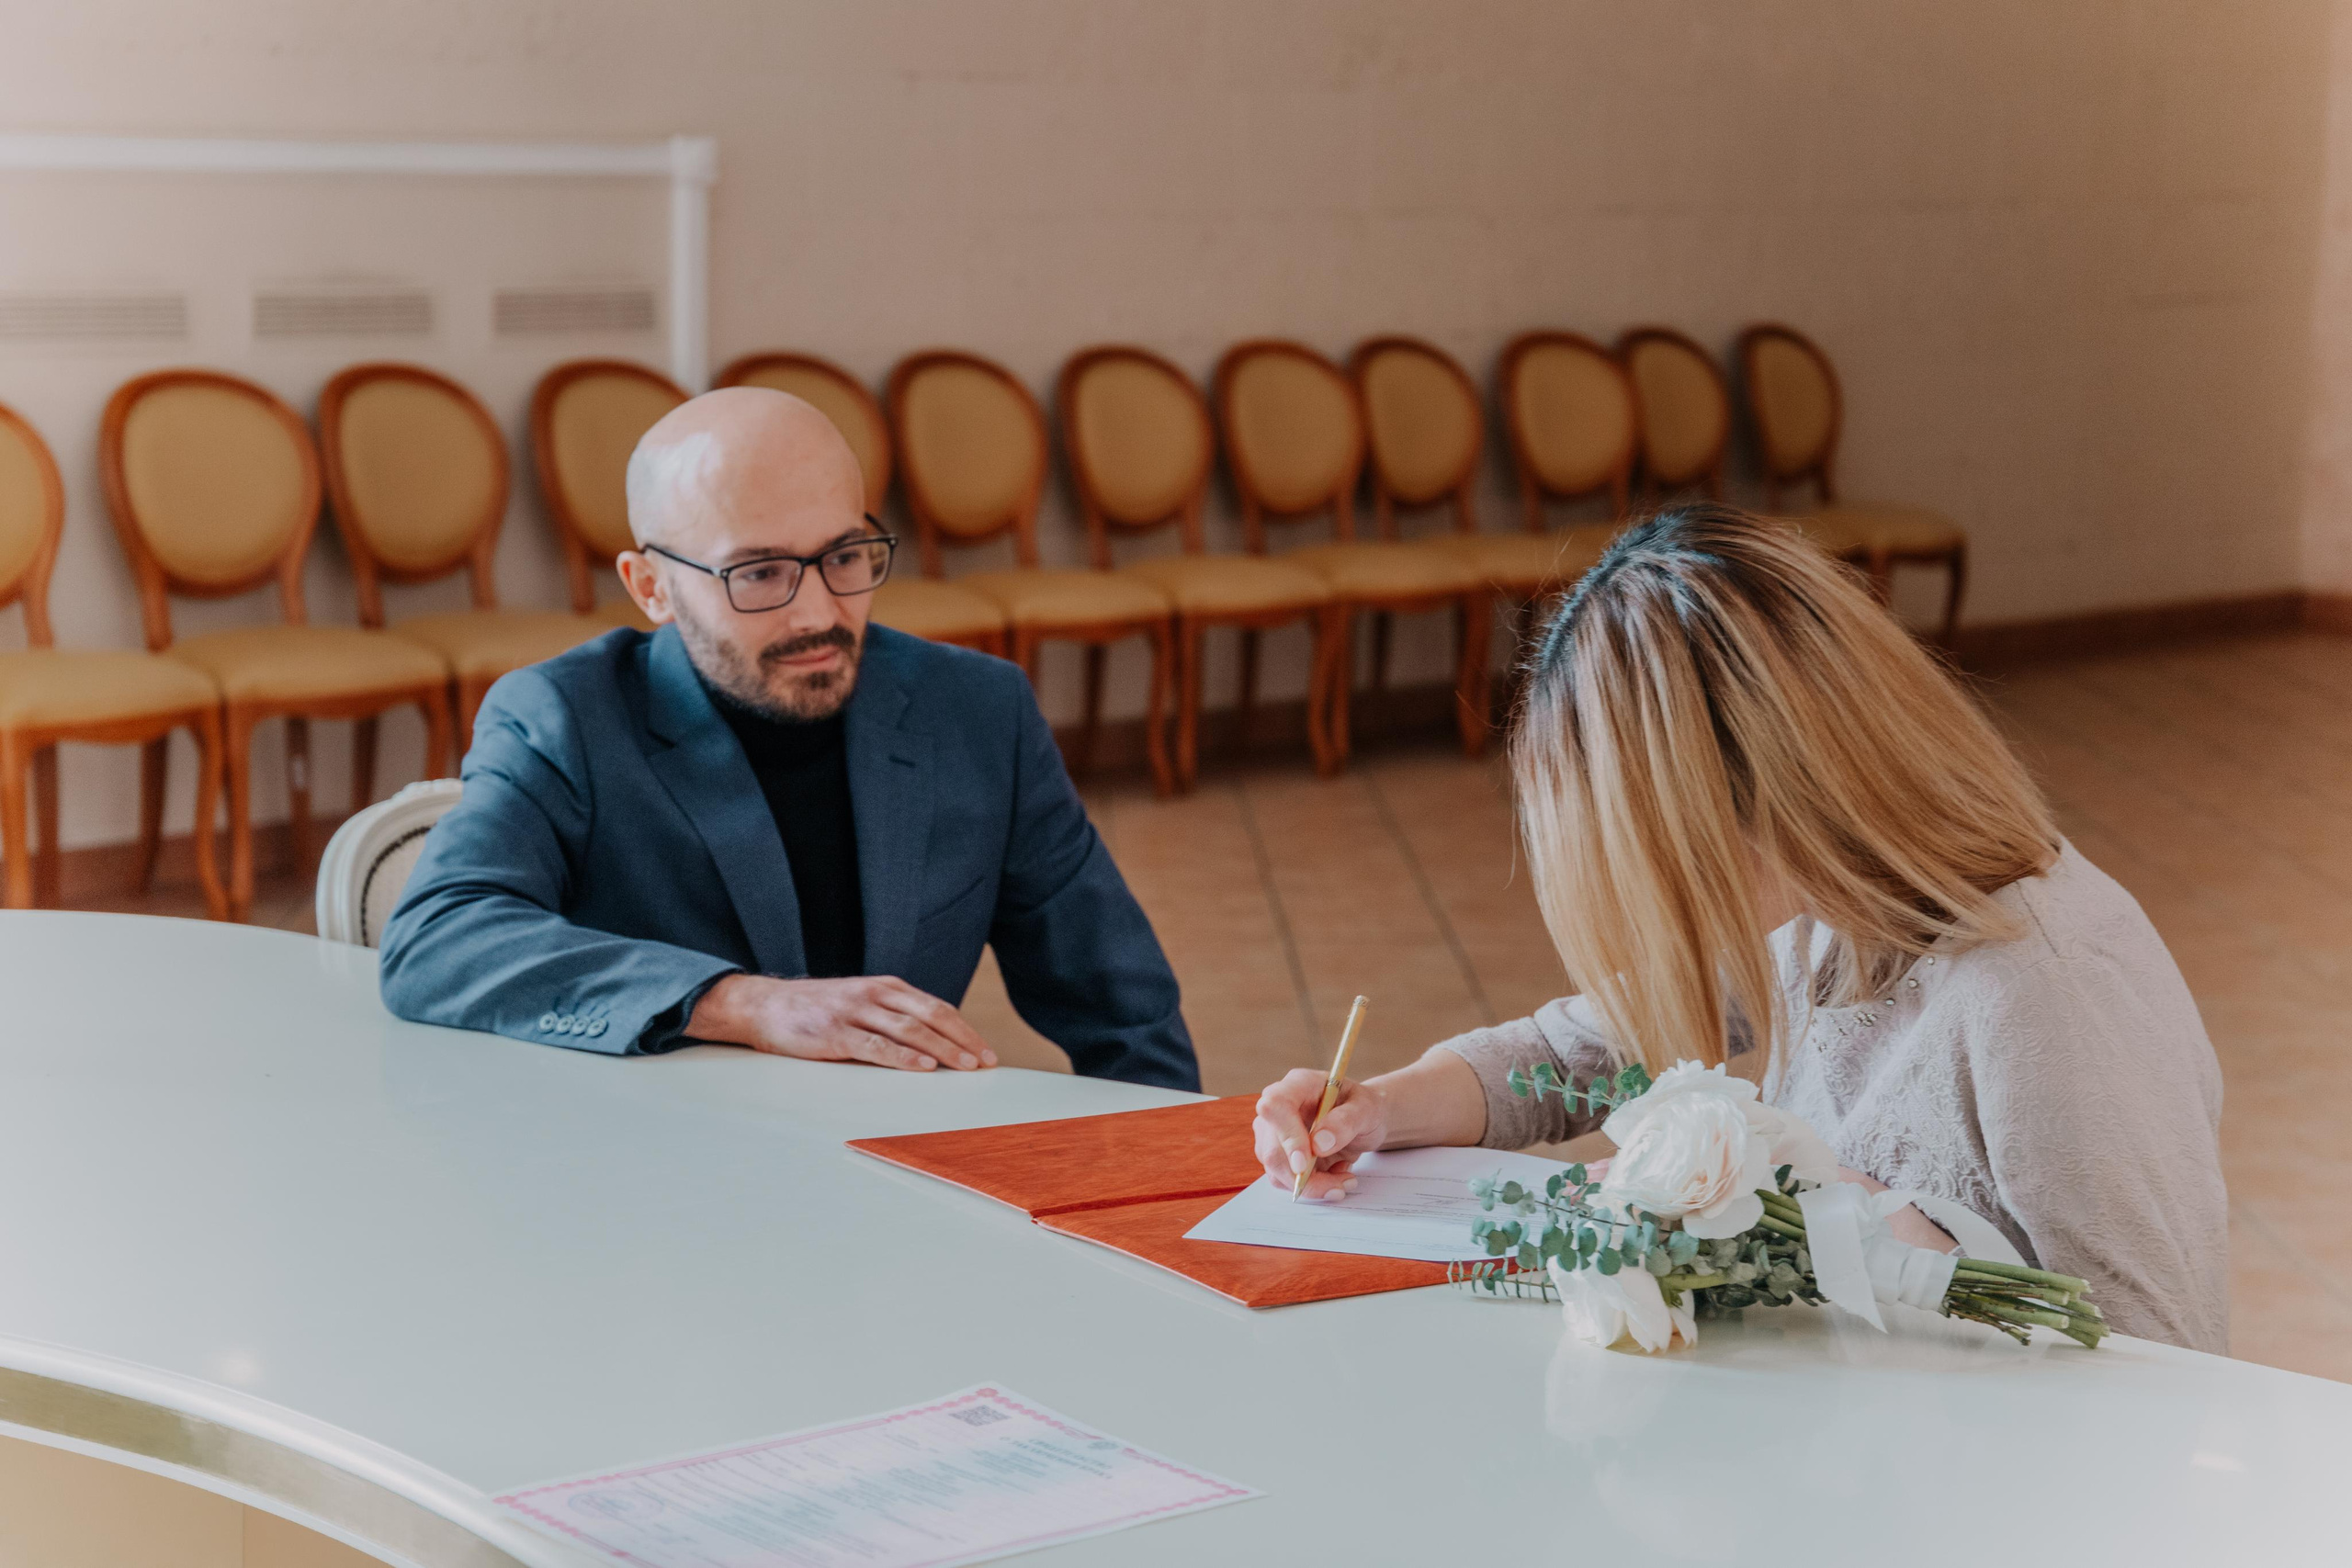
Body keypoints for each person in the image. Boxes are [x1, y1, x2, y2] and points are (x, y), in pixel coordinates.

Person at [1251, 505, 2227, 1351]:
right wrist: (1375, 1109)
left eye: (1649, 848)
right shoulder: (1826, 903)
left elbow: (2170, 1366)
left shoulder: (2044, 989)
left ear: (1756, 793)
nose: (1662, 900)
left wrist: (1868, 1234)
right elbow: (1569, 1054)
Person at [379, 388, 1198, 1090]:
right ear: (652, 587)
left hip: (894, 1191)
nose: (818, 614)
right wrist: (746, 1002)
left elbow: (1126, 1017)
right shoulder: (562, 717)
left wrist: (1183, 1197)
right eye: (759, 573)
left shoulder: (979, 711)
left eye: (844, 555)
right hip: (646, 1202)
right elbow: (439, 938)